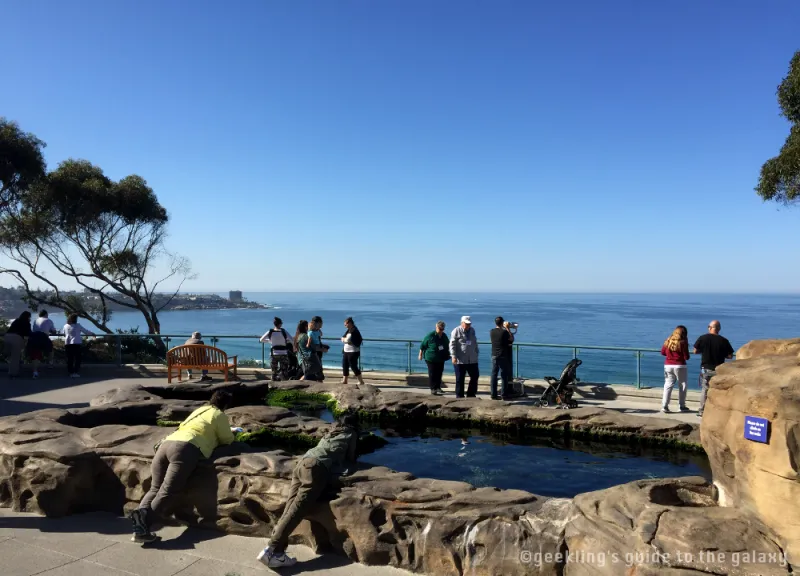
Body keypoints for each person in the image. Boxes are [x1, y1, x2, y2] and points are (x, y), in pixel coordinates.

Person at [130, 390, 237, 543]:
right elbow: (227, 439)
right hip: (185, 448)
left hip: (165, 445)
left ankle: (139, 520)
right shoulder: (219, 414)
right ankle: (143, 526)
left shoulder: (199, 410)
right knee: (168, 490)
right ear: (225, 405)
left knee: (155, 488)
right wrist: (234, 433)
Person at [257, 411, 359, 569]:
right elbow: (351, 458)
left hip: (302, 462)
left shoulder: (332, 430)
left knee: (289, 509)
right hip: (316, 469)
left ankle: (278, 552)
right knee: (297, 510)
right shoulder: (351, 433)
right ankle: (270, 548)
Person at [693, 320, 734, 417]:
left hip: (706, 368)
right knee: (718, 390)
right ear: (719, 329)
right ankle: (717, 410)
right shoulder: (724, 341)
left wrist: (704, 351)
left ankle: (702, 410)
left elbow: (695, 351)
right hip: (719, 369)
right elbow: (730, 356)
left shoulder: (703, 338)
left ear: (709, 327)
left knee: (705, 389)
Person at [660, 325, 691, 413]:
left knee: (668, 385)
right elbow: (686, 357)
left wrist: (670, 356)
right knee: (683, 385)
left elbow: (662, 352)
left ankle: (664, 406)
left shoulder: (668, 340)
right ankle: (681, 406)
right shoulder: (683, 342)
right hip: (680, 366)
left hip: (668, 366)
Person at [450, 316, 480, 398]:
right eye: (466, 324)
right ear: (462, 323)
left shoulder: (472, 330)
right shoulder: (456, 331)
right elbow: (452, 345)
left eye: (469, 324)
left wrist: (476, 352)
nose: (468, 325)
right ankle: (459, 396)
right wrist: (453, 356)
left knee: (475, 376)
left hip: (472, 359)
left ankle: (471, 394)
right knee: (460, 379)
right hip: (461, 359)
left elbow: (474, 342)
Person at [419, 321, 450, 395]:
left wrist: (449, 354)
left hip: (441, 358)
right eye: (440, 329)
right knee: (432, 373)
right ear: (436, 327)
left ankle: (438, 387)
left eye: (442, 329)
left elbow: (448, 345)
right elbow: (423, 345)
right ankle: (433, 388)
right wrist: (420, 354)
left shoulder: (444, 336)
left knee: (439, 373)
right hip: (431, 358)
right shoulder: (430, 335)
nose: (441, 330)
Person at [489, 317, 515, 400]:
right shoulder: (504, 332)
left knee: (494, 375)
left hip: (494, 355)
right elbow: (511, 339)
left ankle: (493, 394)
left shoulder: (491, 332)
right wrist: (507, 328)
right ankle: (504, 394)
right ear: (502, 323)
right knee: (504, 375)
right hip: (502, 356)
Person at [63, 314, 95, 378]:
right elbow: (85, 331)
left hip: (68, 344)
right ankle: (75, 372)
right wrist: (92, 334)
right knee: (78, 359)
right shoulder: (78, 325)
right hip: (76, 344)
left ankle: (70, 372)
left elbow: (64, 334)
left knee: (70, 359)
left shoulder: (65, 326)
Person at [27, 311, 57, 379]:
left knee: (35, 354)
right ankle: (50, 363)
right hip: (43, 336)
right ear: (46, 314)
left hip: (34, 337)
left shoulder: (35, 320)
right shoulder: (48, 320)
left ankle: (35, 372)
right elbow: (53, 331)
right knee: (51, 349)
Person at [4, 311, 32, 378]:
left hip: (7, 336)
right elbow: (28, 333)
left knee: (8, 354)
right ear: (28, 317)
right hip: (16, 338)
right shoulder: (27, 322)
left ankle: (8, 364)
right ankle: (13, 373)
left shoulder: (16, 320)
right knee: (15, 357)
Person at [340, 317, 364, 386]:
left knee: (353, 366)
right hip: (346, 351)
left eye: (346, 324)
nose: (345, 326)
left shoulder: (355, 330)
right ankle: (344, 380)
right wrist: (345, 340)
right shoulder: (348, 330)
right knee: (345, 365)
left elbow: (347, 340)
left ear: (350, 323)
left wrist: (345, 340)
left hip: (353, 351)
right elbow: (343, 338)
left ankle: (361, 381)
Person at [308, 316, 329, 380]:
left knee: (318, 371)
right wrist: (321, 349)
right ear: (316, 323)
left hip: (318, 354)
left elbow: (320, 336)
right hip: (314, 354)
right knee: (318, 372)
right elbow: (311, 345)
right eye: (320, 323)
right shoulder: (311, 333)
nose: (321, 324)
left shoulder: (317, 332)